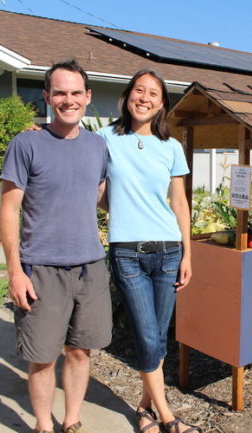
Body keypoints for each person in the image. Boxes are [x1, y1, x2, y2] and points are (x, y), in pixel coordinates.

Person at [0, 59, 111, 433]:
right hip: (41, 270)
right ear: (47, 97)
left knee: (80, 351)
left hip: (90, 268)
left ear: (87, 97)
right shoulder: (26, 143)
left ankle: (72, 420)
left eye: (76, 92)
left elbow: (99, 195)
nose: (68, 100)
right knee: (42, 358)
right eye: (60, 92)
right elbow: (9, 210)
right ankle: (44, 426)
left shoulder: (98, 145)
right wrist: (15, 272)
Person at [96, 69, 201, 433]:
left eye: (153, 93)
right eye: (138, 90)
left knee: (156, 336)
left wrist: (188, 254)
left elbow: (180, 204)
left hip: (169, 252)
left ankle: (143, 411)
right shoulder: (104, 138)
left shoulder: (171, 147)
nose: (144, 97)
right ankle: (168, 416)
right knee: (146, 335)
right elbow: (78, 161)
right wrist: (40, 133)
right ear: (126, 97)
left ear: (162, 104)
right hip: (127, 254)